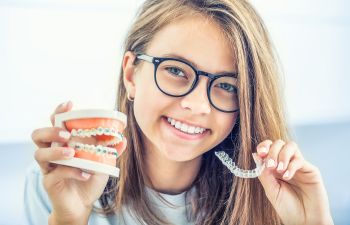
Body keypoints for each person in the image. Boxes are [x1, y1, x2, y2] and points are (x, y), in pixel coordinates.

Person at [25, 0, 334, 224]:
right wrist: (69, 218)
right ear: (131, 75)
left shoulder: (268, 198)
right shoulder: (57, 182)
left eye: (227, 86)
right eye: (175, 70)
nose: (198, 105)